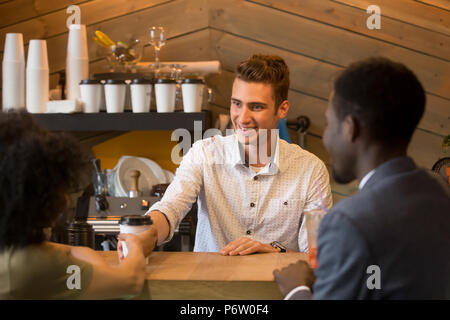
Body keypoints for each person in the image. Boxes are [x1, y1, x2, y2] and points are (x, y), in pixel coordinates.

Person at [273, 57, 450, 299]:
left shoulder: (348, 221)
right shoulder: (439, 191)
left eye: (328, 123)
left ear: (350, 128)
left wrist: (296, 289)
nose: (325, 137)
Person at [128, 54, 332, 257]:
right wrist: (148, 234)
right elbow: (171, 207)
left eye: (256, 107)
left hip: (277, 287)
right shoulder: (204, 154)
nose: (242, 118)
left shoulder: (311, 170)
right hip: (210, 286)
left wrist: (273, 251)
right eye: (237, 104)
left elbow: (317, 256)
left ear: (282, 109)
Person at [0, 110, 157, 299]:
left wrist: (90, 263)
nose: (66, 200)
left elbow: (71, 250)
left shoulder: (13, 251)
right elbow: (129, 282)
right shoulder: (32, 266)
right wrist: (136, 247)